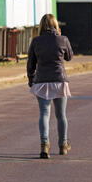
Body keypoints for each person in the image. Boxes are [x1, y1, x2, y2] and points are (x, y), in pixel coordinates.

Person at [27, 14, 74, 159]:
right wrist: (60, 39)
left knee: (44, 114)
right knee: (61, 115)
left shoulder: (36, 41)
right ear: (56, 25)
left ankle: (44, 145)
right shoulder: (62, 39)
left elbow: (31, 63)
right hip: (59, 80)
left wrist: (31, 79)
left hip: (42, 81)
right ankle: (63, 145)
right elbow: (69, 57)